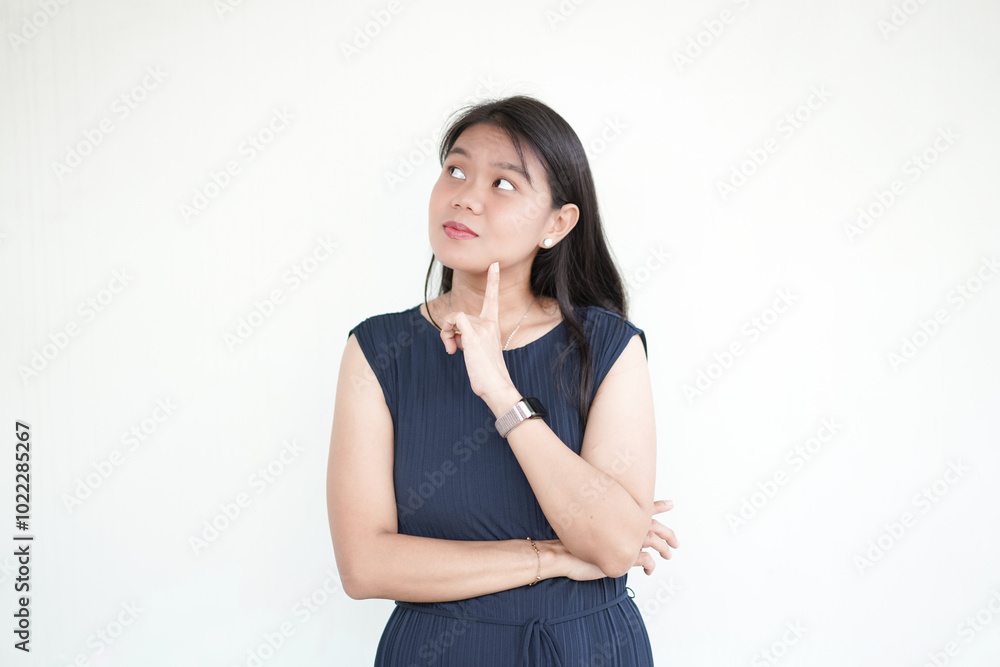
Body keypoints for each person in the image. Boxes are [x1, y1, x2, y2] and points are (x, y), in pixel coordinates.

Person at [327, 95, 679, 665]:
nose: (466, 196)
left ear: (557, 224)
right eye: (456, 170)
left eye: (504, 184)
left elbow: (614, 546)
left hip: (586, 649)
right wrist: (549, 557)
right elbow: (364, 566)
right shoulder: (378, 350)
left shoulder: (608, 346)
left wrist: (501, 391)